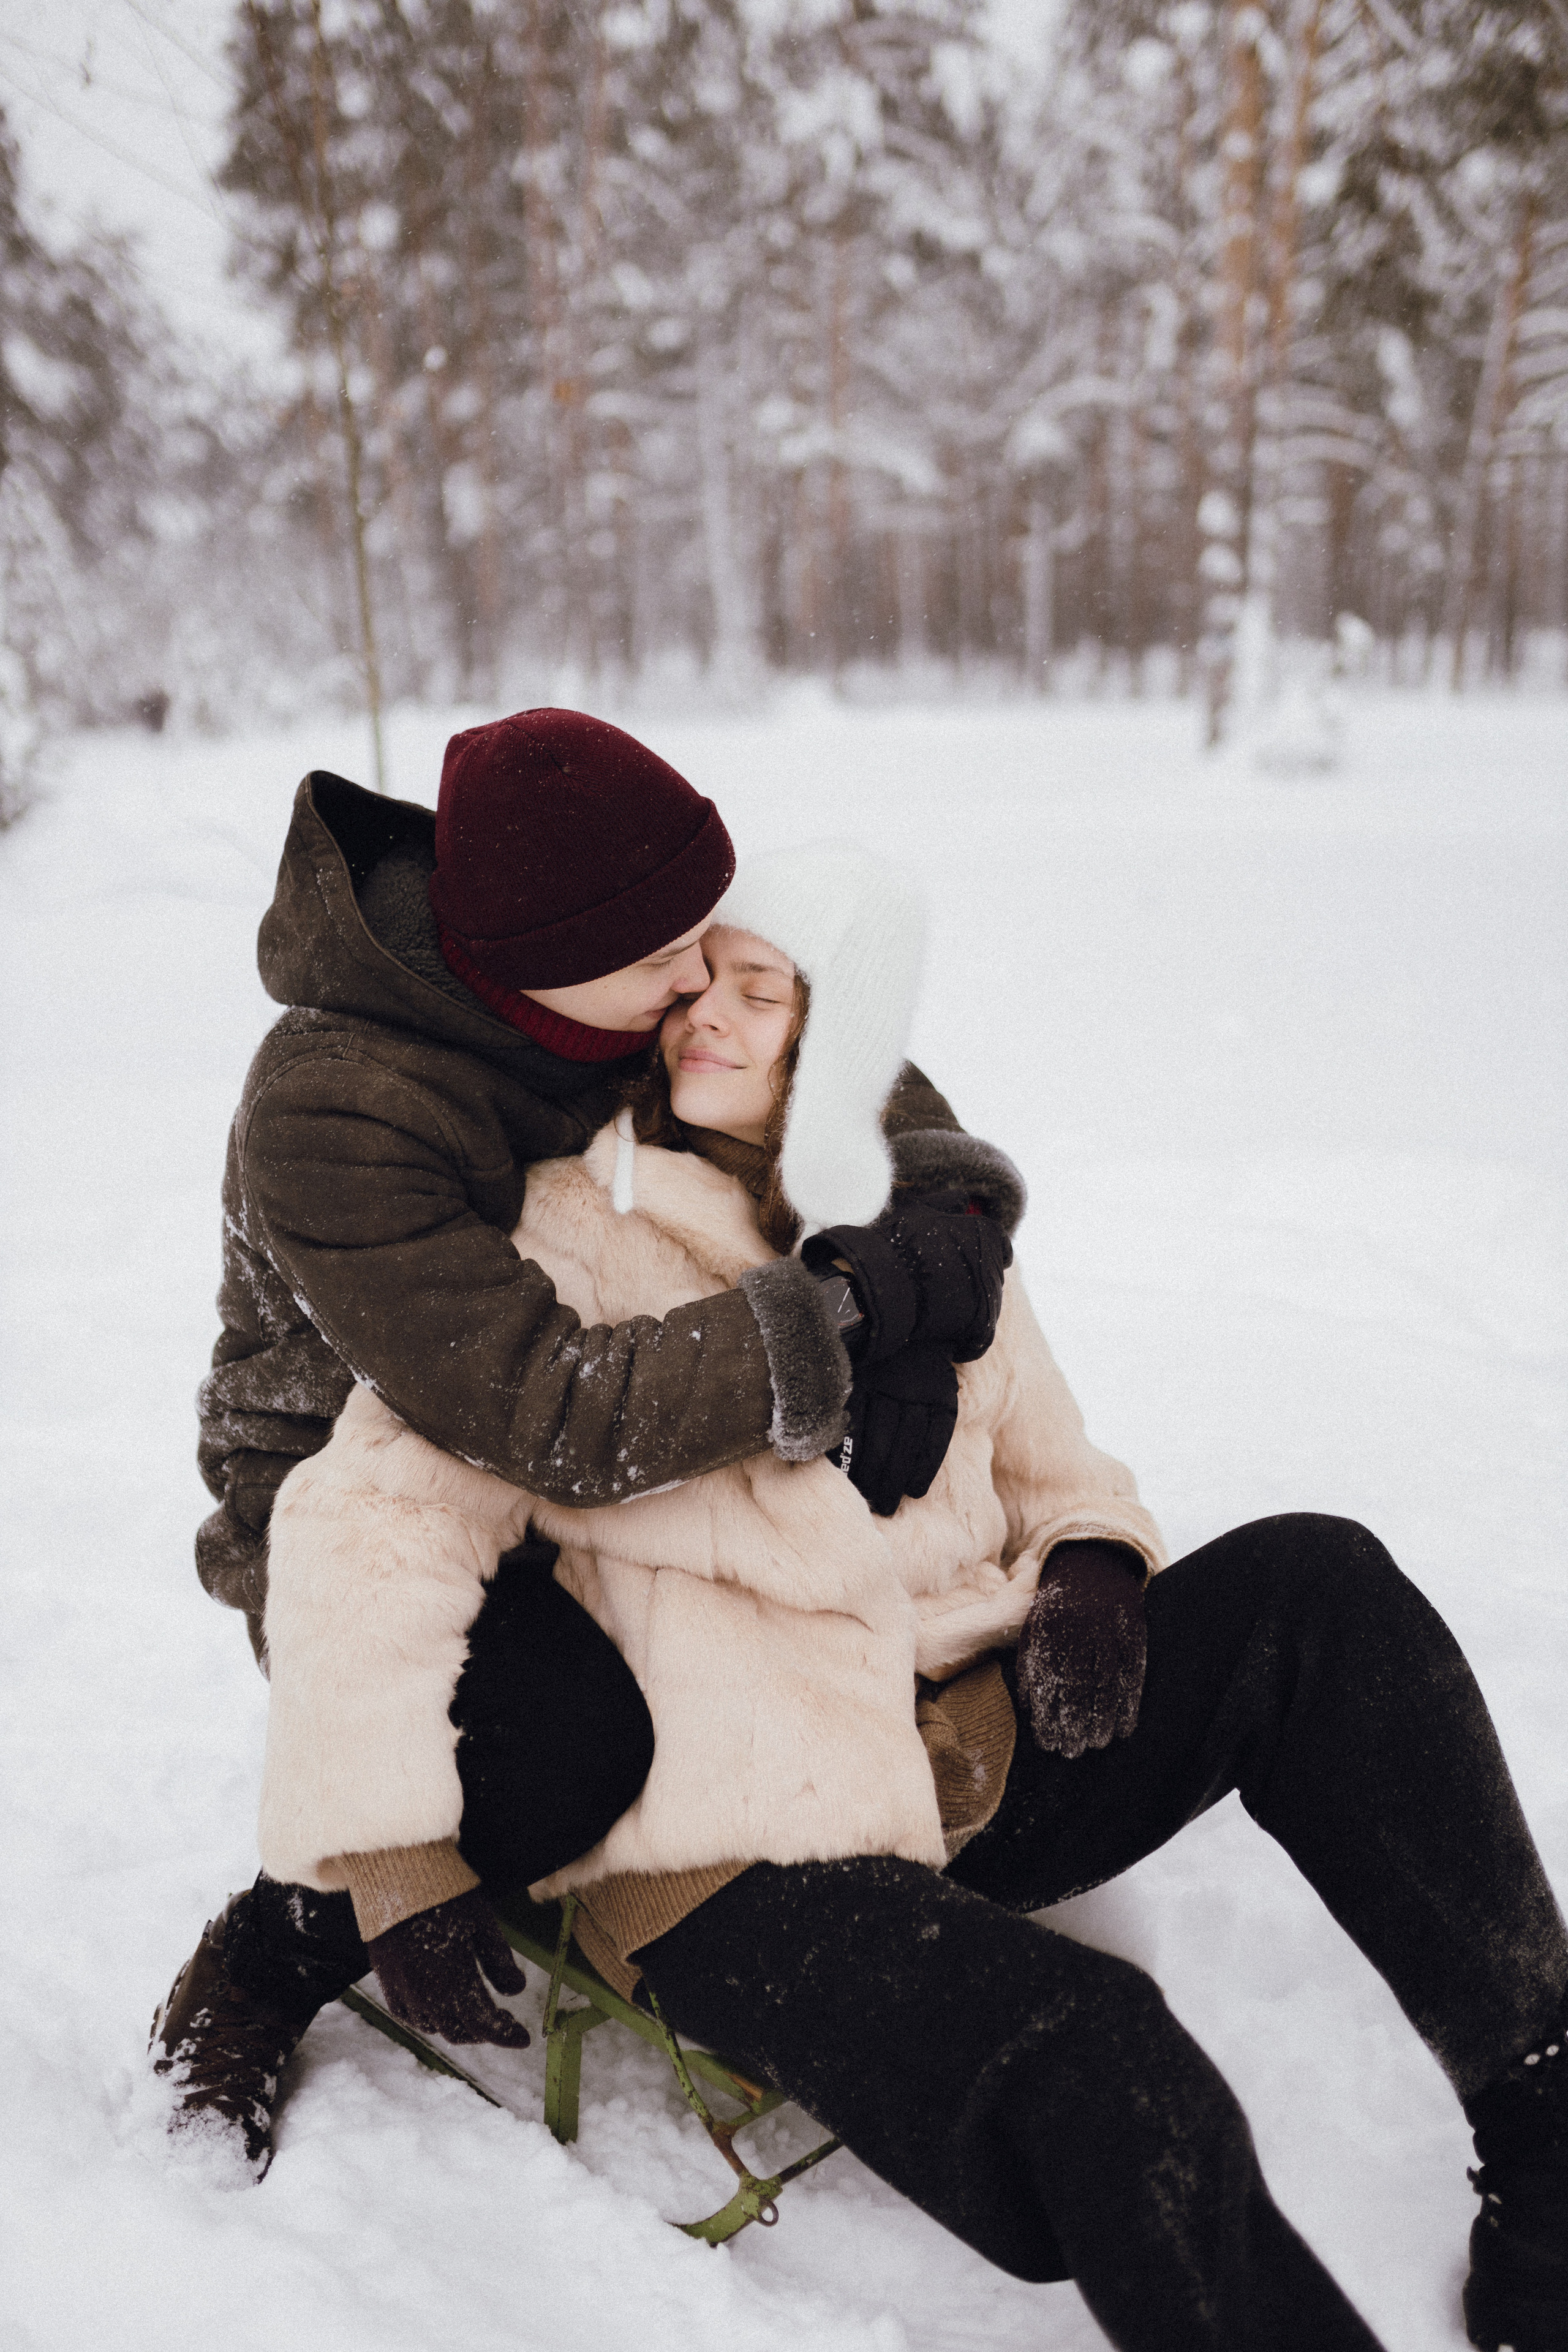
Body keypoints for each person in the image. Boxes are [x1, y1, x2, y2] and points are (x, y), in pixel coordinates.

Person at [252, 843, 1567, 2352]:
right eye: (698, 986)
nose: (704, 1015)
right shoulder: (565, 1239)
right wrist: (396, 1856)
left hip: (973, 1755)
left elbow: (1065, 1463)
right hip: (745, 1856)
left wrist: (1087, 1568)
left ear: (846, 1041)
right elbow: (368, 1533)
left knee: (1317, 1581)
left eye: (765, 992)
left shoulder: (934, 1250)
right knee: (1106, 2068)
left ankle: (1542, 2125)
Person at [150, 715, 1008, 2174]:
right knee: (564, 1747)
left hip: (594, 1432)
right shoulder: (337, 1102)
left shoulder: (624, 945)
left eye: (707, 934)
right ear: (534, 974)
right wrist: (845, 1314)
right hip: (364, 1496)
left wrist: (928, 1239)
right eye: (671, 959)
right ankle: (269, 1949)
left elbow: (851, 1065)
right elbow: (552, 1411)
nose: (705, 972)